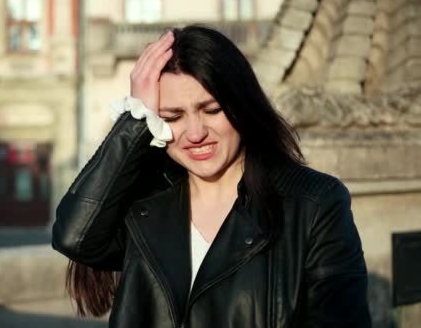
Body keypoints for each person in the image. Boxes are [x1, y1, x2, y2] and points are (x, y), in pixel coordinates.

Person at [52, 25, 371, 327]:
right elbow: (75, 237)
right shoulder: (144, 206)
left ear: (242, 105)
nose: (195, 133)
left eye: (212, 110)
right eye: (172, 116)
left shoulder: (315, 204)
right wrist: (136, 117)